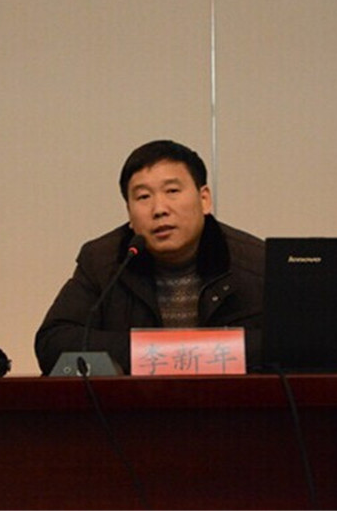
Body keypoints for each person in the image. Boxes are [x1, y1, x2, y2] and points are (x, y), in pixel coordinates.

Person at [34, 140, 264, 375]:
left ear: (204, 199)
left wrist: (170, 354)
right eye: (143, 197)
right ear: (129, 214)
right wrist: (155, 352)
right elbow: (53, 343)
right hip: (134, 398)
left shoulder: (256, 262)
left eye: (172, 191)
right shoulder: (103, 261)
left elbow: (283, 347)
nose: (159, 209)